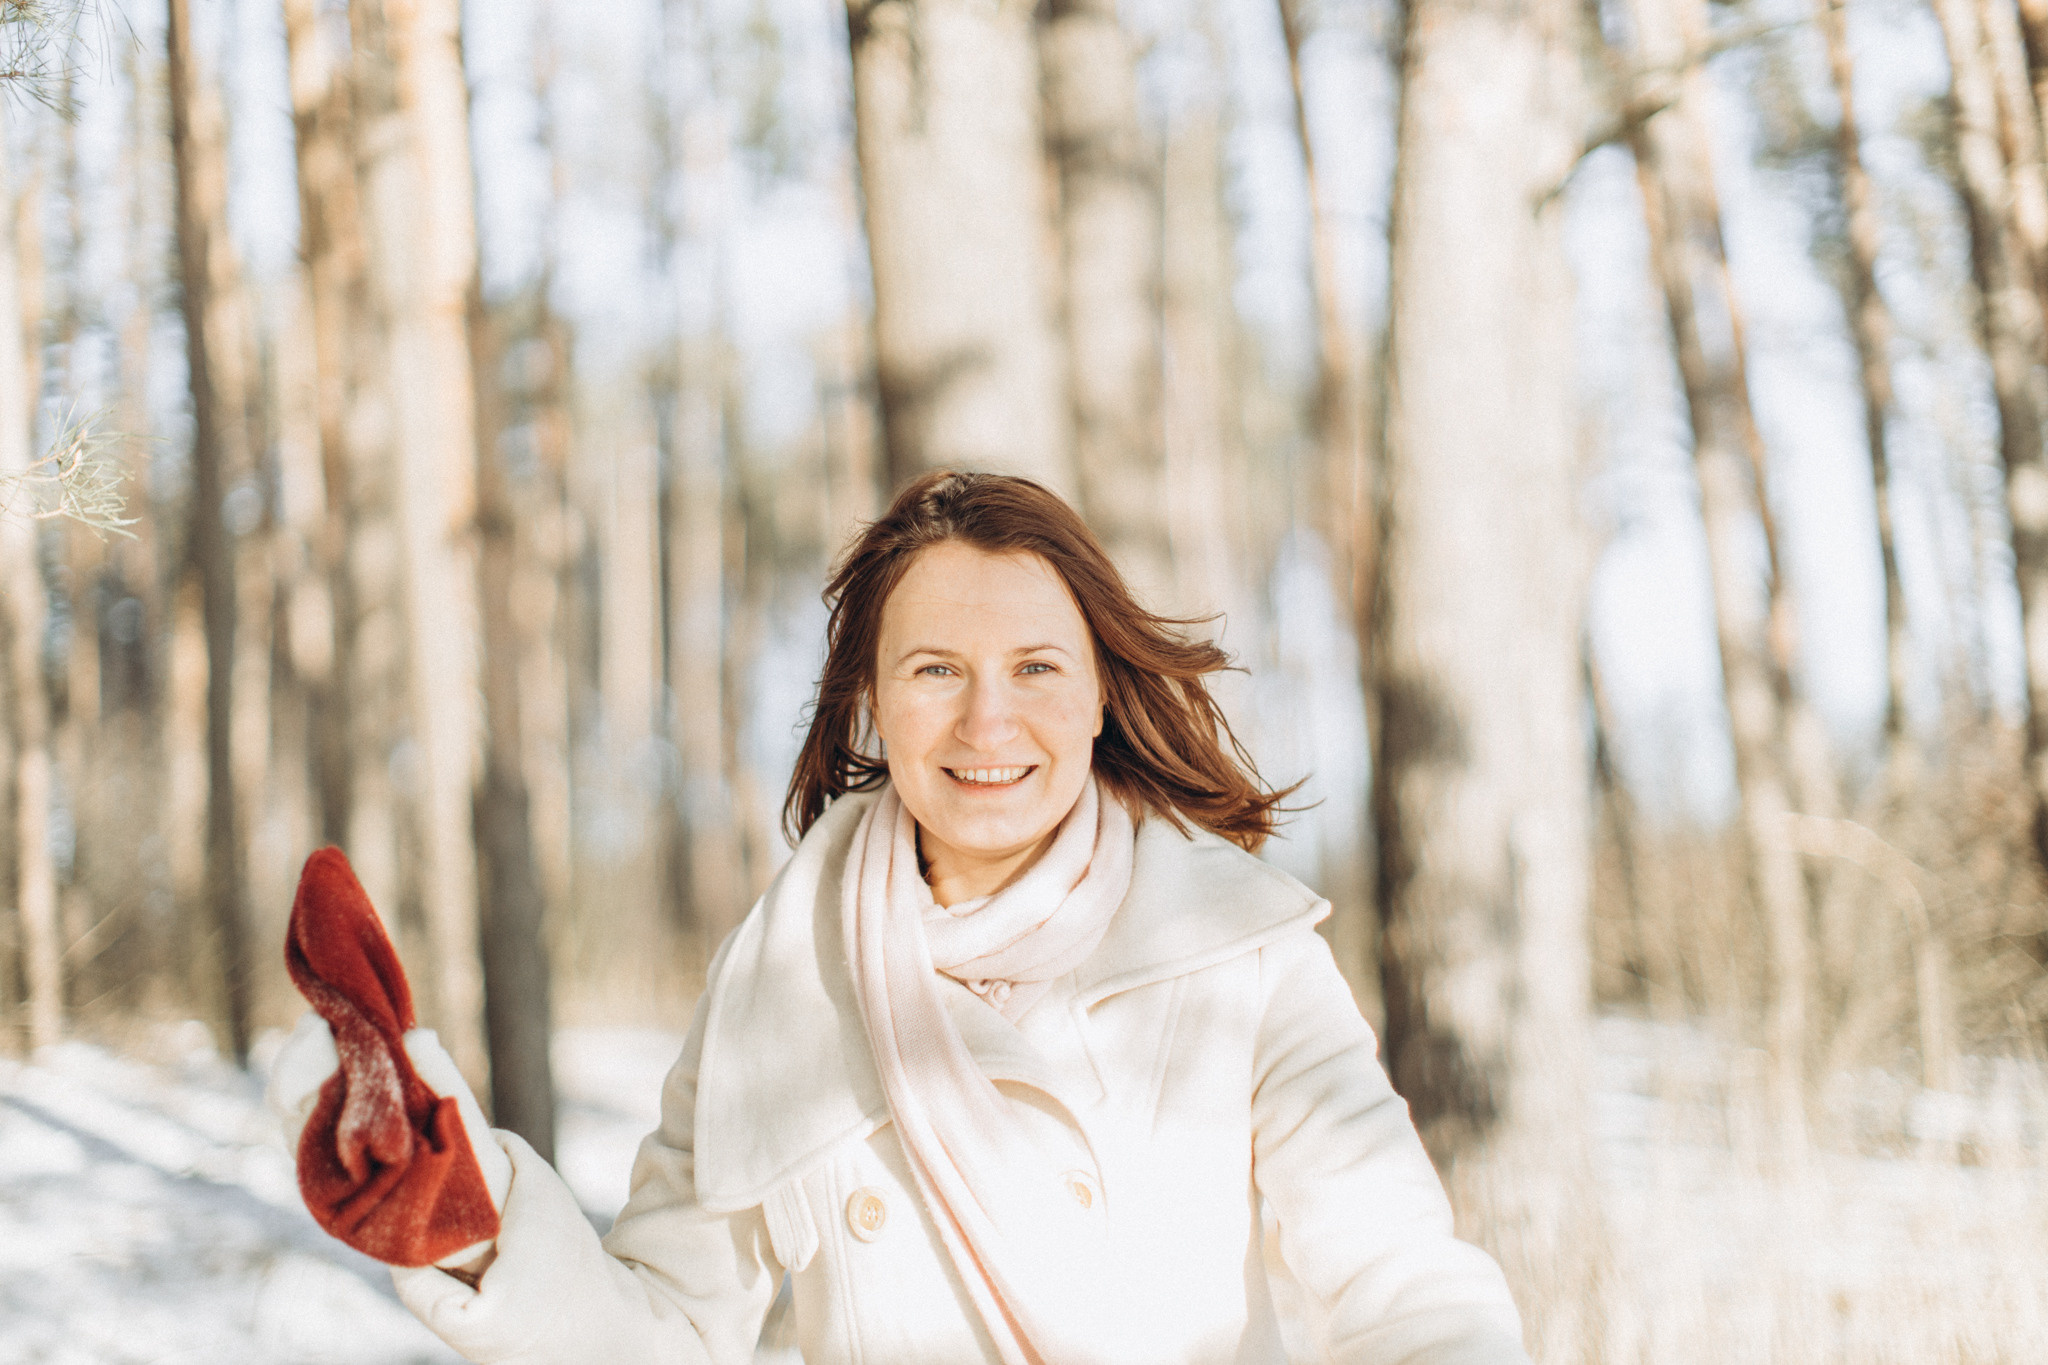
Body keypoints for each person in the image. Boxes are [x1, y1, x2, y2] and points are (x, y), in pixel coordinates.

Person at [366, 471, 1531, 1363]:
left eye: (1033, 668)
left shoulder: (1234, 948)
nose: (987, 724)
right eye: (935, 671)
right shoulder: (781, 979)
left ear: (1097, 695)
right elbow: (672, 1326)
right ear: (871, 698)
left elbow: (1391, 1277)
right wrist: (476, 1227)